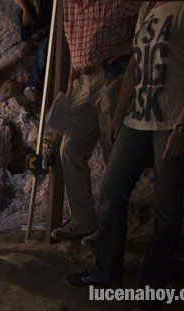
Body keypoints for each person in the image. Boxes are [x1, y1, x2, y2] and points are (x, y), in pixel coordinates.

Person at [67, 1, 184, 292]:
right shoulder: (149, 5)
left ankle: (154, 281)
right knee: (111, 192)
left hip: (175, 117)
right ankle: (105, 271)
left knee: (166, 202)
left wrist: (182, 127)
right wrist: (120, 112)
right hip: (140, 117)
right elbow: (136, 63)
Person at [51, 0, 142, 243]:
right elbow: (74, 47)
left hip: (111, 77)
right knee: (69, 149)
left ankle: (110, 229)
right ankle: (85, 221)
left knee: (112, 150)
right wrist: (71, 85)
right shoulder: (67, 4)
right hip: (83, 81)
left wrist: (130, 45)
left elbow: (153, 13)